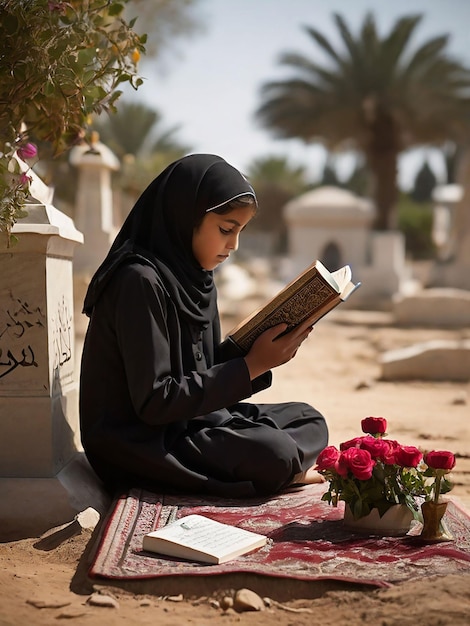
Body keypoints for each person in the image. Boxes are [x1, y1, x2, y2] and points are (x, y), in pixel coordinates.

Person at [79, 153, 328, 498]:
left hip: (191, 421)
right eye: (226, 229)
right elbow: (156, 401)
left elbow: (199, 367)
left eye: (240, 231)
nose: (234, 245)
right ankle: (283, 468)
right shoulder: (138, 281)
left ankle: (281, 467)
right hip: (140, 441)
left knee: (308, 419)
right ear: (185, 217)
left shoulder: (198, 277)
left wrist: (257, 348)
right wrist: (251, 365)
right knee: (275, 452)